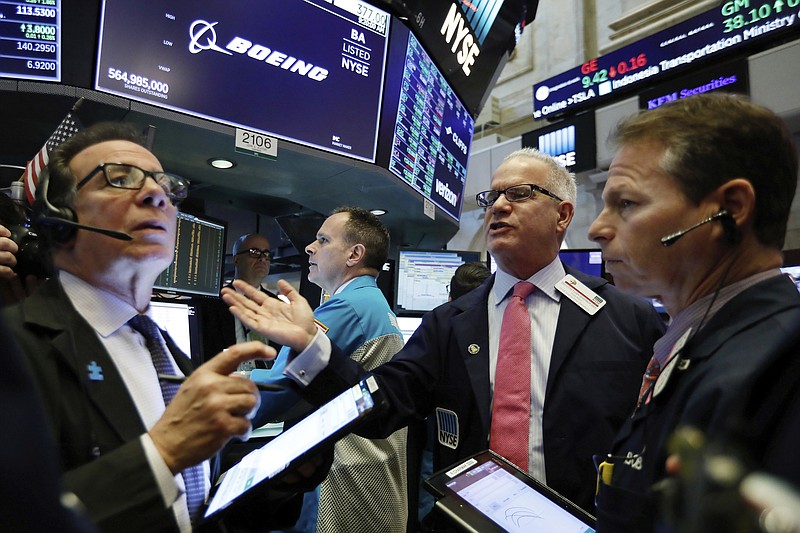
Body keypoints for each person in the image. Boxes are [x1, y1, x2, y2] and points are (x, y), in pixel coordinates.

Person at [223, 147, 667, 520]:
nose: (498, 206)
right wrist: (309, 346)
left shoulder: (626, 318)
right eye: (492, 196)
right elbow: (382, 403)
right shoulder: (450, 322)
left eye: (519, 193)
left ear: (563, 214)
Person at [2, 122, 306, 532]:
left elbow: (187, 507)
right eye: (119, 179)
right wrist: (161, 453)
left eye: (165, 185)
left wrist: (279, 478)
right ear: (60, 219)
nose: (156, 194)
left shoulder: (168, 354)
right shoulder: (16, 347)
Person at [585, 93, 800, 532]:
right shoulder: (700, 340)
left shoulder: (781, 370)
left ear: (731, 209)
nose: (597, 229)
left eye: (627, 204)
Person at [251, 206, 408, 533]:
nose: (310, 247)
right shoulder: (373, 303)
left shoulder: (347, 306)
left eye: (323, 240)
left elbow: (280, 391)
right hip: (372, 481)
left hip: (343, 485)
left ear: (354, 254)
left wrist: (203, 399)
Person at [200, 232, 281, 367]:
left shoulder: (277, 305)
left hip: (271, 382)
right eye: (254, 252)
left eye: (266, 253)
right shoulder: (211, 304)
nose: (262, 258)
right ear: (236, 259)